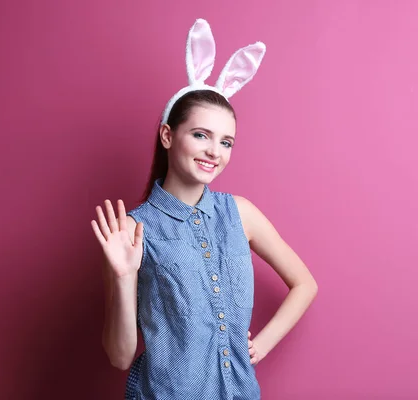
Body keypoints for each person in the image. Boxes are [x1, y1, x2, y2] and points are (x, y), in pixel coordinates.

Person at [91, 19, 318, 400]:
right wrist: (122, 276)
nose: (215, 151)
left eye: (226, 141)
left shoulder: (240, 213)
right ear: (168, 135)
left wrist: (257, 346)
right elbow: (119, 356)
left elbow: (305, 284)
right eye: (201, 135)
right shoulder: (130, 231)